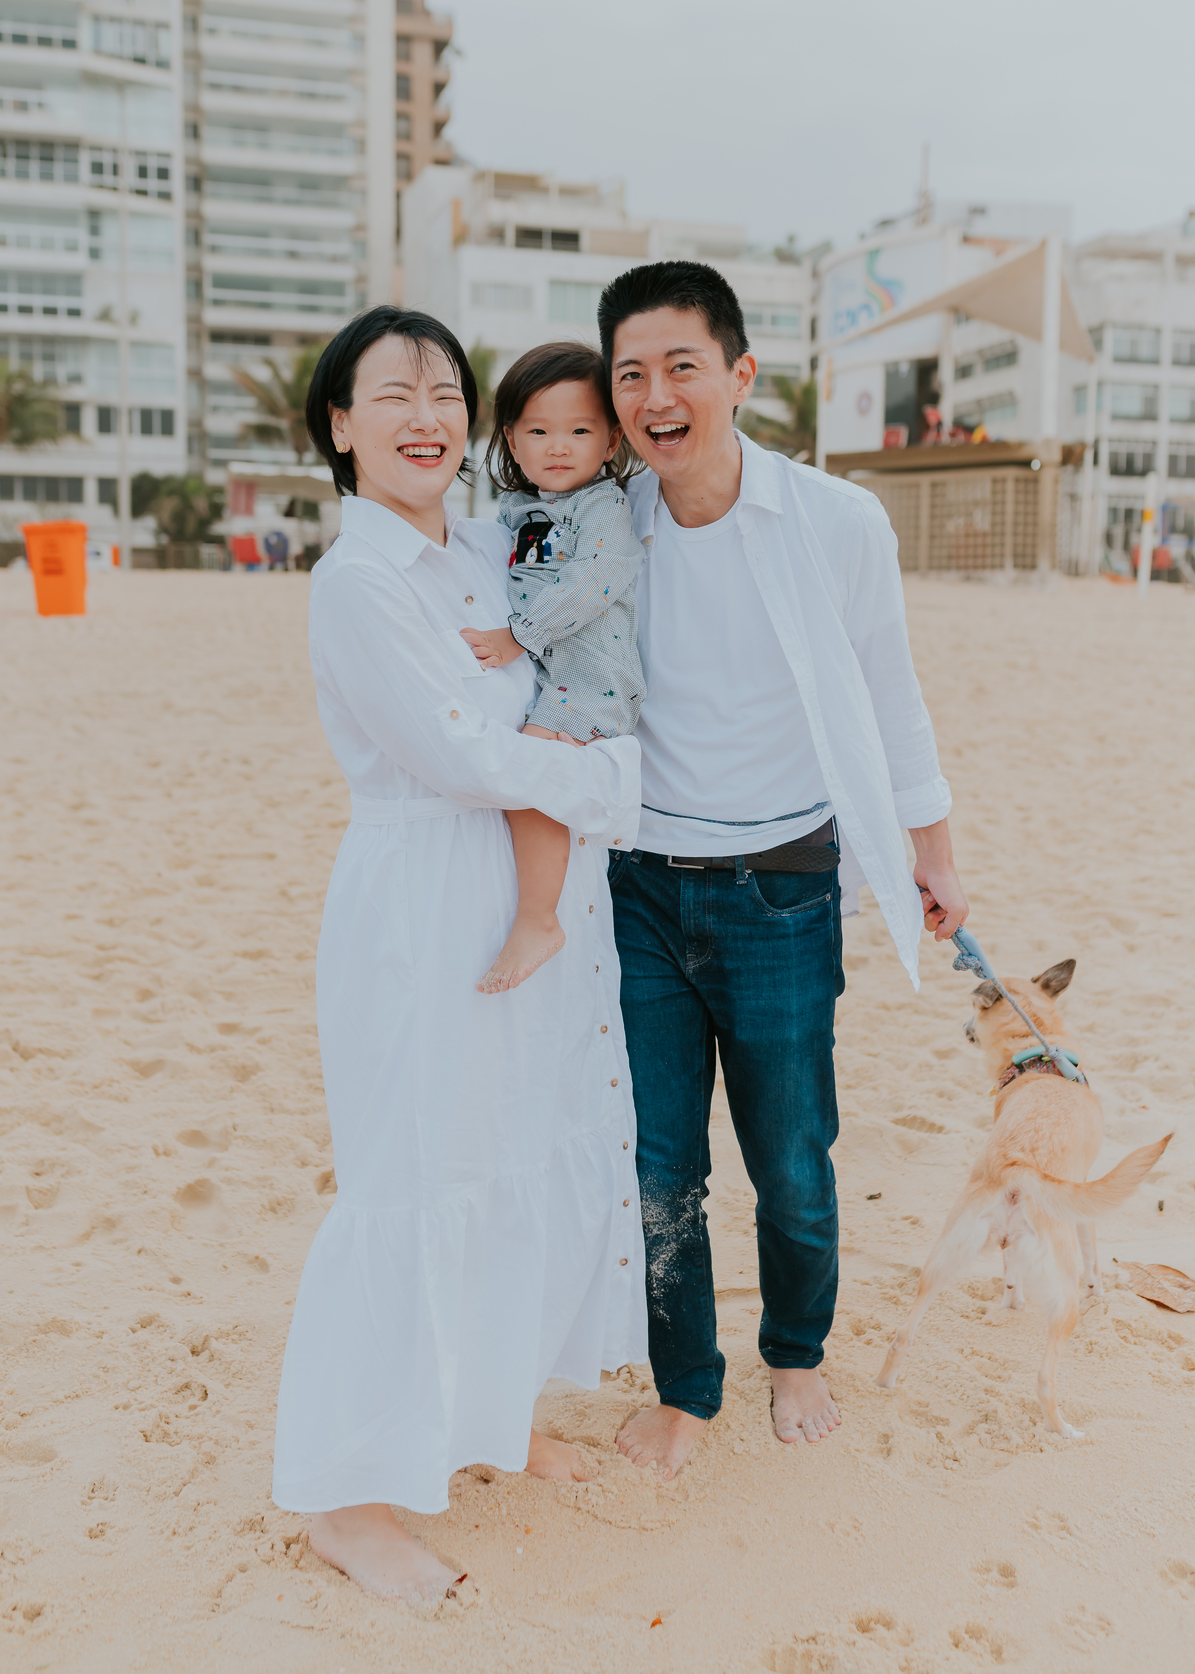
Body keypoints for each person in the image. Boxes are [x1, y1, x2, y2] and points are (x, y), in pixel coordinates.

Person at [271, 307, 646, 1605]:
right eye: (394, 395)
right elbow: (462, 752)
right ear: (340, 425)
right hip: (425, 900)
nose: (426, 417)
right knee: (415, 1172)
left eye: (445, 393)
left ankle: (494, 1411)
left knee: (516, 1144)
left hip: (527, 890)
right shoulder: (359, 580)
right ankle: (347, 1501)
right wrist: (616, 781)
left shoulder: (488, 543)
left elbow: (574, 630)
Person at [597, 261, 969, 1479]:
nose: (656, 396)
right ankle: (686, 1386)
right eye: (632, 374)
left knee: (794, 1166)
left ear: (741, 375)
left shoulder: (837, 521)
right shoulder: (607, 524)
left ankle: (796, 1354)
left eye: (682, 367)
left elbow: (890, 694)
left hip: (785, 889)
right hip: (641, 889)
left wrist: (933, 854)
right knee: (660, 1170)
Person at [459, 342, 646, 993]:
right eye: (538, 431)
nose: (558, 446)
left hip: (593, 679)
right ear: (511, 439)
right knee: (526, 777)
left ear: (612, 440)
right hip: (552, 681)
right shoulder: (516, 510)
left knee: (530, 774)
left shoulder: (602, 506)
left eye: (579, 431)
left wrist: (519, 636)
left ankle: (540, 918)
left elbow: (599, 578)